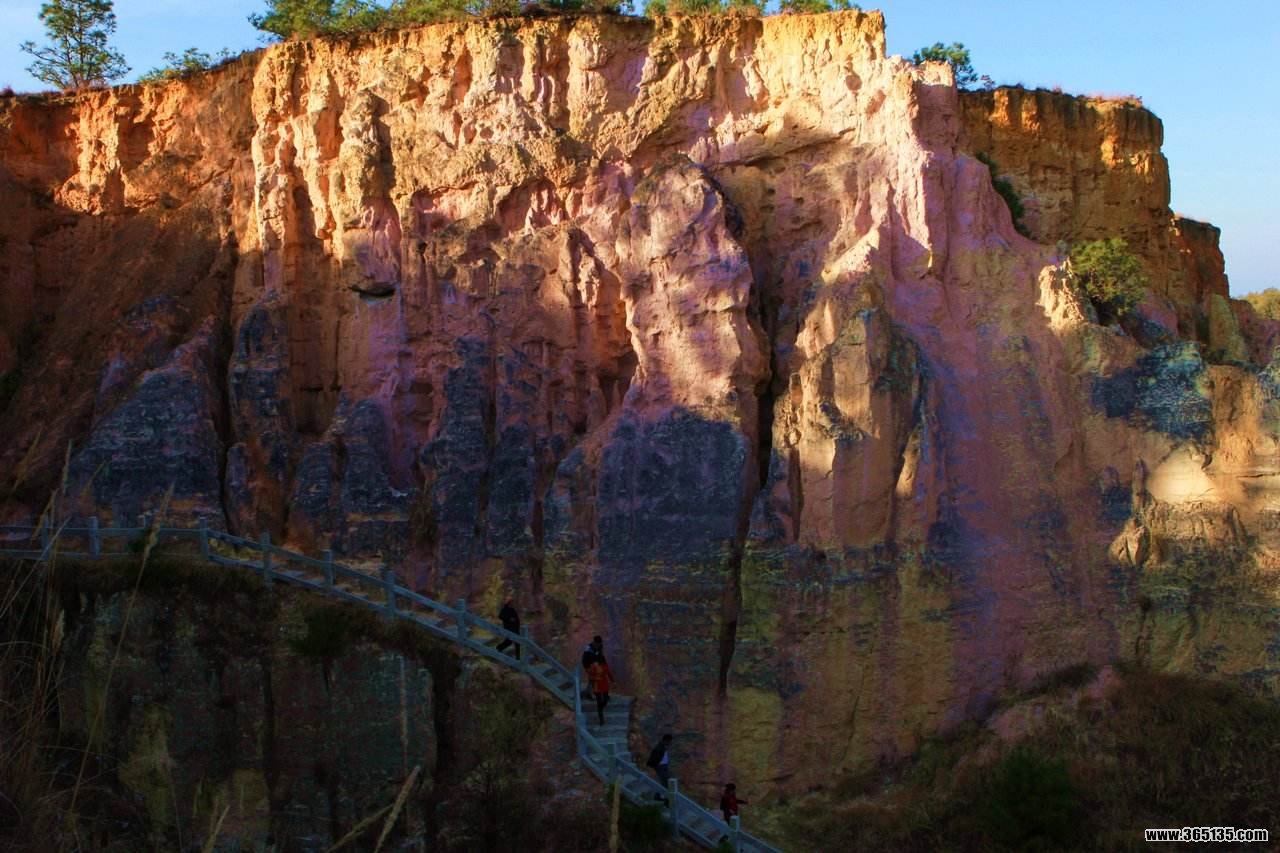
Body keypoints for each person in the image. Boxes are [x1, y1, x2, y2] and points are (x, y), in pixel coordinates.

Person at [646, 734, 673, 802]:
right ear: (666, 740)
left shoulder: (662, 746)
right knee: (665, 782)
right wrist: (653, 766)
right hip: (661, 767)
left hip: (663, 766)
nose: (670, 743)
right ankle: (663, 797)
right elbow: (654, 757)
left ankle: (660, 796)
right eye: (669, 741)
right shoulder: (660, 747)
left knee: (665, 782)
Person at [587, 654, 614, 726]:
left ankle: (601, 708)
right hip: (597, 685)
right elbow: (590, 676)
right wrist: (594, 679)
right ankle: (601, 719)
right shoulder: (593, 666)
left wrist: (612, 680)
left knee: (605, 699)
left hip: (604, 684)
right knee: (599, 702)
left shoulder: (605, 665)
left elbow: (608, 673)